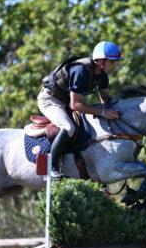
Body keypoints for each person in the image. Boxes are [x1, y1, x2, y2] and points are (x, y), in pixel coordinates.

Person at [38, 41, 123, 178]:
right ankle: (50, 167)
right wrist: (102, 112)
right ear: (100, 61)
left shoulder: (102, 76)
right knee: (68, 127)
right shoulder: (81, 71)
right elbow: (76, 105)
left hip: (64, 101)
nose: (115, 66)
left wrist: (119, 109)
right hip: (50, 99)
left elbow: (106, 100)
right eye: (112, 62)